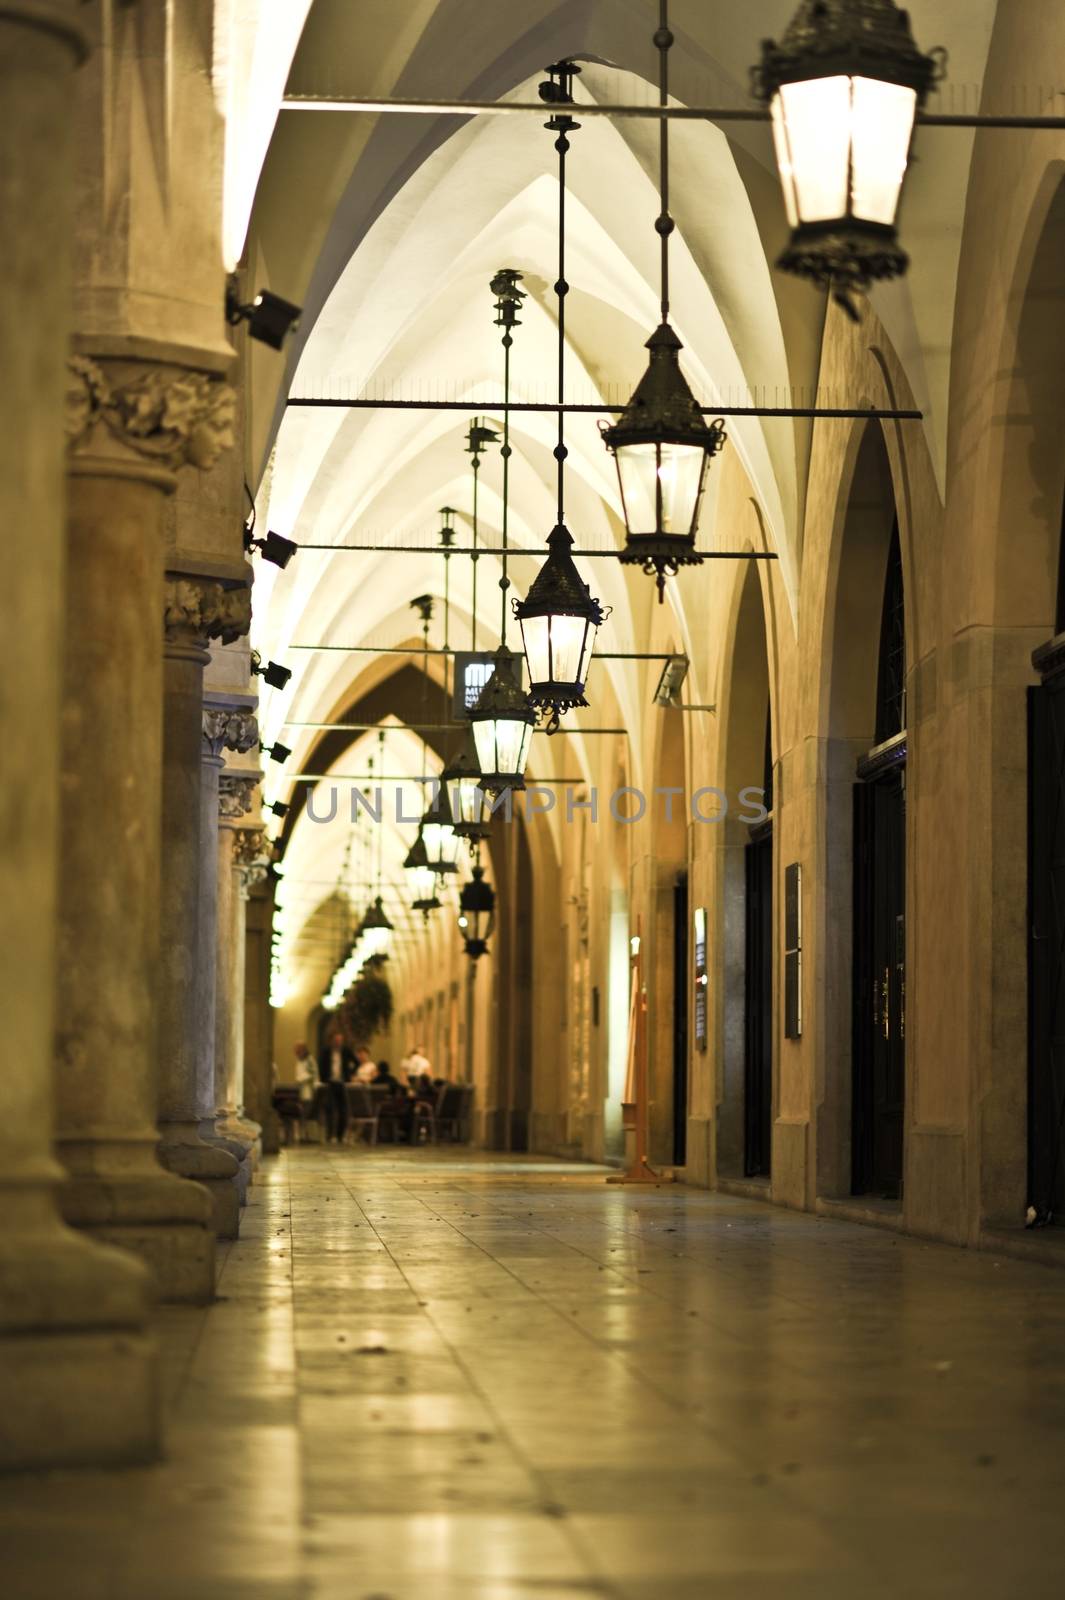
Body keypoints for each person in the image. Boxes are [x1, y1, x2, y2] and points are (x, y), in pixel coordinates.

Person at [317, 1029, 356, 1143]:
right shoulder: (325, 1051)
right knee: (330, 1108)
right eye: (336, 1040)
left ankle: (340, 1135)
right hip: (330, 1082)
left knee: (343, 1109)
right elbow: (321, 1066)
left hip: (342, 1082)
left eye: (340, 1040)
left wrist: (350, 1073)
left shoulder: (346, 1051)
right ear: (331, 1041)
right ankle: (330, 1134)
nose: (338, 1042)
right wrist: (324, 1078)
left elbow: (356, 1062)